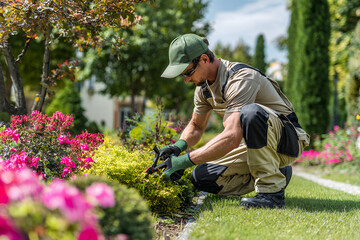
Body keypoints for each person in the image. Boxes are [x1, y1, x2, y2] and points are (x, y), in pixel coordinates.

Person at [156, 33, 310, 209]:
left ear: (204, 59)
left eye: (188, 72)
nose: (186, 80)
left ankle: (271, 194)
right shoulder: (203, 88)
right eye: (182, 75)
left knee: (251, 113)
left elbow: (232, 137)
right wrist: (178, 148)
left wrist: (183, 161)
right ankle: (277, 172)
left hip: (287, 141)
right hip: (255, 145)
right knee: (201, 178)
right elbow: (196, 126)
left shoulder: (241, 77)